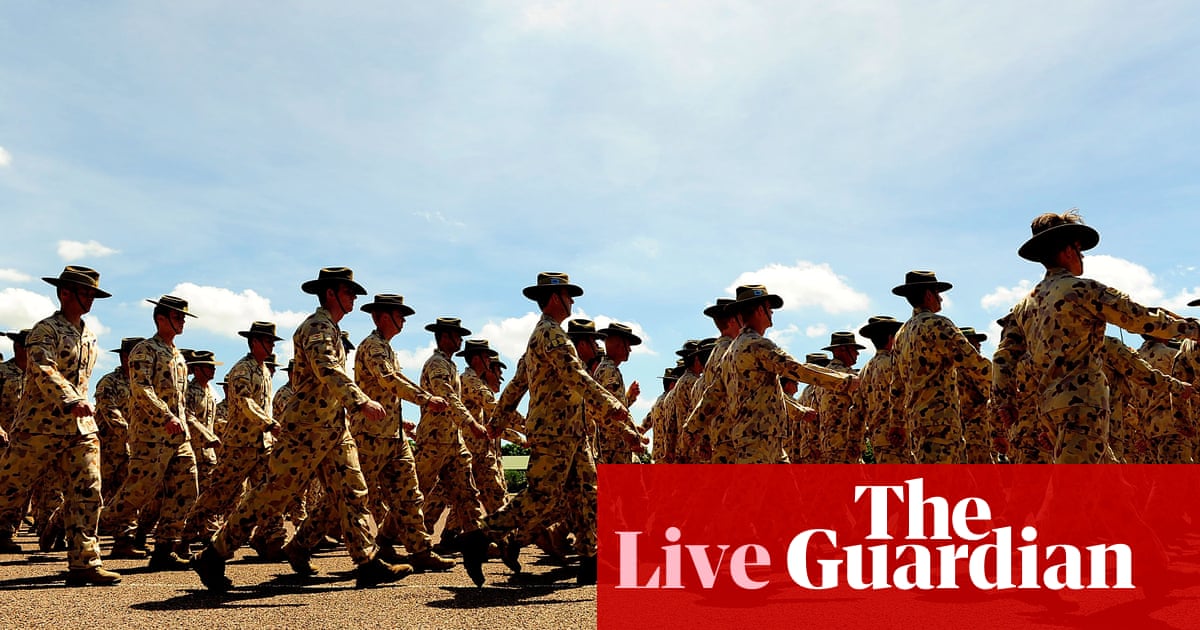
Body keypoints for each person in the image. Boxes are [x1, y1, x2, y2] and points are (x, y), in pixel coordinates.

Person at [192, 267, 411, 591]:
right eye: (348, 291)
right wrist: (360, 400)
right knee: (270, 495)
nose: (353, 297)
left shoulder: (332, 329)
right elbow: (327, 368)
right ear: (331, 293)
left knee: (353, 492)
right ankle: (214, 554)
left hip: (334, 429)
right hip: (306, 429)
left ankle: (367, 562)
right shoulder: (316, 327)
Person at [994, 210, 1200, 463]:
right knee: (1072, 490)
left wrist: (1005, 401)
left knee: (1111, 486)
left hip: (1049, 407)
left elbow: (1003, 357)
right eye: (1079, 250)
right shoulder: (1081, 290)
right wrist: (1191, 329)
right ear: (1067, 250)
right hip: (1083, 406)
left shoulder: (1024, 306)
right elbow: (1139, 319)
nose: (1081, 257)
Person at [481, 272, 641, 586]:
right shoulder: (550, 334)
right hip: (554, 431)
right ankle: (482, 534)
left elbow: (516, 385)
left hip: (573, 433)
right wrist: (614, 407)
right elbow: (575, 379)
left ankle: (590, 560)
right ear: (556, 298)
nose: (571, 303)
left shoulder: (549, 336)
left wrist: (498, 420)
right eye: (569, 297)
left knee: (585, 496)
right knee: (542, 497)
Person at [0, 266, 120, 585]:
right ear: (65, 293)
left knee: (88, 490)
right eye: (86, 293)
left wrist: (81, 408)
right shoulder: (45, 330)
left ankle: (84, 562)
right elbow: (42, 368)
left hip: (78, 430)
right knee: (8, 489)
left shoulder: (89, 335)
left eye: (94, 293)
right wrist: (69, 398)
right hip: (38, 428)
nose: (91, 299)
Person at [351, 295, 455, 572]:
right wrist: (425, 399)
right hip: (371, 436)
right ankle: (300, 544)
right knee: (349, 496)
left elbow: (395, 384)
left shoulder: (386, 348)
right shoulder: (373, 346)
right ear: (384, 316)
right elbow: (389, 381)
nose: (404, 320)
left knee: (409, 494)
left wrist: (405, 422)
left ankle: (420, 550)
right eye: (400, 314)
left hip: (393, 436)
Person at [102, 295, 200, 570]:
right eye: (177, 317)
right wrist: (165, 416)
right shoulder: (145, 351)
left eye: (183, 318)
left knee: (186, 487)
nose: (182, 322)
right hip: (151, 436)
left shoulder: (178, 355)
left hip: (179, 437)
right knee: (137, 494)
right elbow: (142, 389)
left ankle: (165, 547)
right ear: (160, 318)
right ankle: (85, 524)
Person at [182, 322, 287, 561]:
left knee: (268, 491)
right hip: (240, 445)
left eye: (272, 341)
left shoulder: (262, 371)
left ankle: (270, 538)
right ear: (254, 342)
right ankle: (184, 535)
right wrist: (268, 423)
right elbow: (244, 402)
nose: (272, 345)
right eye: (268, 341)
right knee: (219, 493)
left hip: (262, 445)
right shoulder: (242, 370)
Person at [717, 284, 856, 464]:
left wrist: (691, 430)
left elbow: (718, 393)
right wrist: (843, 381)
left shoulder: (731, 352)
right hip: (757, 441)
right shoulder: (757, 344)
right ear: (760, 310)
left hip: (764, 440)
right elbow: (796, 369)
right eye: (769, 308)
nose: (772, 313)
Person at [891, 271, 990, 464]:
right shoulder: (937, 324)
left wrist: (897, 422)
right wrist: (1009, 386)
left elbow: (896, 386)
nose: (941, 298)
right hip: (941, 422)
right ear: (929, 295)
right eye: (938, 293)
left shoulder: (901, 335)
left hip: (918, 422)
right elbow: (974, 364)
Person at [856, 317, 910, 464]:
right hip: (898, 436)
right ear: (891, 338)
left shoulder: (864, 370)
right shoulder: (894, 364)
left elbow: (857, 409)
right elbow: (903, 395)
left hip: (878, 438)